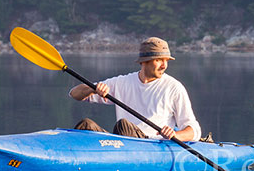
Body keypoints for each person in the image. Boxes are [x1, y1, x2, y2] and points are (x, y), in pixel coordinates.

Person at [69, 37, 201, 141]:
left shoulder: (174, 88)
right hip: (122, 141)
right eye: (159, 60)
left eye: (166, 60)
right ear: (144, 61)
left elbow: (194, 130)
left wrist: (175, 134)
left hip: (152, 144)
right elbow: (74, 94)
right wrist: (93, 89)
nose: (164, 65)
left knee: (123, 125)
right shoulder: (122, 82)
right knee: (86, 125)